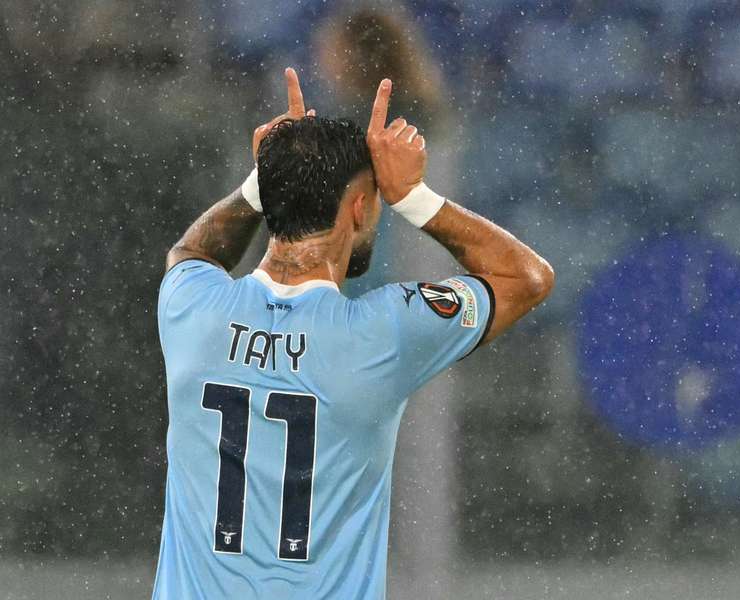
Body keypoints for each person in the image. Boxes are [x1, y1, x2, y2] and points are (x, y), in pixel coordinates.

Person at [152, 67, 554, 599]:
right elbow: (526, 278)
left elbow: (192, 254)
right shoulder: (382, 333)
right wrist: (415, 197)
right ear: (360, 207)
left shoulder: (192, 308)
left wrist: (263, 182)